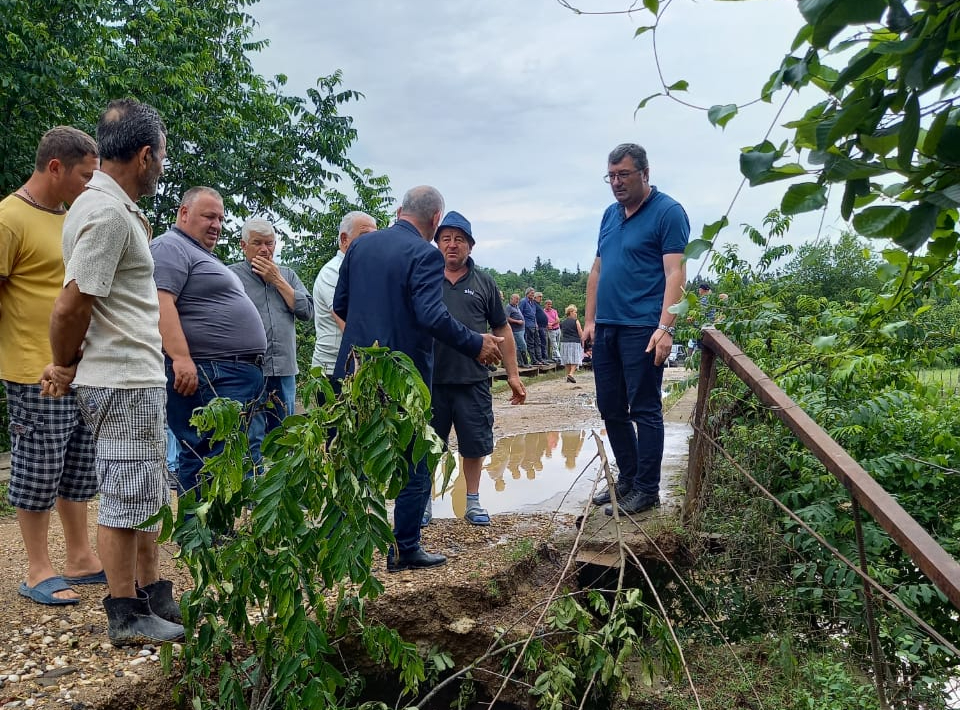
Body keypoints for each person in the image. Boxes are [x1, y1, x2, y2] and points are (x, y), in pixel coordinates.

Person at [45, 98, 184, 644]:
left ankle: (151, 594)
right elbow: (71, 305)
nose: (162, 167)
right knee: (126, 496)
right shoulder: (105, 213)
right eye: (163, 157)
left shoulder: (107, 206)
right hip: (121, 377)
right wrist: (61, 364)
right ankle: (125, 612)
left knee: (145, 489)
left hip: (132, 374)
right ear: (146, 155)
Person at [332, 186, 504, 572]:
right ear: (435, 220)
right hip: (400, 378)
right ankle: (405, 548)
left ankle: (349, 551)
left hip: (354, 371)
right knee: (414, 458)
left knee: (356, 457)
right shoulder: (425, 254)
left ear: (399, 210)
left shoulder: (360, 247)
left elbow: (340, 305)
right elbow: (430, 316)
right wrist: (475, 343)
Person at [0, 127, 103, 606]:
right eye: (84, 176)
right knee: (38, 468)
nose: (89, 185)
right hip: (32, 370)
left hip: (78, 367)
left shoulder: (69, 219)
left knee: (78, 467)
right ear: (55, 167)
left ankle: (80, 557)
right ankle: (37, 567)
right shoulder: (8, 217)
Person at [582, 143, 689, 516]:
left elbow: (675, 273)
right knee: (610, 406)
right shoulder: (610, 215)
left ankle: (647, 490)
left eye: (623, 174)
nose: (616, 183)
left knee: (644, 408)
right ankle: (627, 479)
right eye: (610, 176)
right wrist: (590, 319)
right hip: (607, 328)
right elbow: (597, 270)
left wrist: (665, 327)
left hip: (642, 327)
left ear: (645, 173)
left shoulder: (668, 212)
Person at [150, 187, 266, 497]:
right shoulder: (171, 246)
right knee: (206, 454)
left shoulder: (197, 252)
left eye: (220, 218)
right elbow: (161, 302)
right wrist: (180, 358)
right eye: (208, 216)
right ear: (184, 213)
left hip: (227, 373)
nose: (216, 224)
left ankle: (211, 534)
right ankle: (200, 538)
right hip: (208, 373)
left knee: (221, 456)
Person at [429, 211, 525, 527]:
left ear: (470, 245)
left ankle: (472, 501)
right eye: (446, 239)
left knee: (475, 443)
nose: (452, 245)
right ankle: (423, 504)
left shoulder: (484, 282)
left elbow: (503, 329)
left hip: (473, 379)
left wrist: (512, 374)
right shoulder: (425, 278)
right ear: (437, 243)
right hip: (430, 381)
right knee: (427, 446)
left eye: (459, 239)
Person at [229, 218, 313, 457]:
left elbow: (307, 311)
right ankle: (252, 486)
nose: (265, 249)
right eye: (258, 243)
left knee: (284, 436)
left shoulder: (287, 275)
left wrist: (277, 280)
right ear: (243, 245)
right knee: (250, 436)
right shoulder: (231, 276)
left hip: (285, 368)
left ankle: (280, 488)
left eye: (270, 243)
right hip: (250, 370)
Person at [311, 211, 378, 378]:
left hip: (356, 367)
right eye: (364, 236)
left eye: (374, 237)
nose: (372, 243)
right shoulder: (333, 272)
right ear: (344, 239)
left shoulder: (363, 271)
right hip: (333, 369)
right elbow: (349, 326)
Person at [520, 287, 544, 364]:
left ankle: (539, 358)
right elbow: (520, 313)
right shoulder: (523, 301)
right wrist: (523, 323)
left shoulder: (533, 303)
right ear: (527, 293)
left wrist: (536, 323)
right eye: (531, 293)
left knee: (538, 342)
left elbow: (534, 314)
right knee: (530, 343)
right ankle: (533, 360)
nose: (533, 295)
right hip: (527, 325)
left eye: (533, 293)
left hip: (534, 325)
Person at [560, 305, 584, 383]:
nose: (576, 314)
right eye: (575, 312)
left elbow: (562, 332)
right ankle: (571, 374)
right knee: (575, 359)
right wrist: (583, 340)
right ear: (570, 312)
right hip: (574, 342)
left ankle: (568, 376)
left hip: (564, 342)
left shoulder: (563, 322)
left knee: (567, 360)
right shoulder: (576, 321)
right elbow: (580, 333)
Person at [506, 293, 529, 367]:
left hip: (521, 329)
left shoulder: (517, 307)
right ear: (511, 299)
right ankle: (523, 362)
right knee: (522, 345)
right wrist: (517, 321)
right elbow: (507, 318)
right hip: (516, 330)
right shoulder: (509, 307)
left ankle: (523, 363)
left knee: (520, 346)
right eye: (516, 299)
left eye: (518, 299)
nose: (517, 300)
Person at [533, 291, 549, 365]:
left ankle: (545, 357)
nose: (541, 298)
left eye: (541, 296)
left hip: (543, 326)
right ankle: (542, 358)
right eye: (539, 296)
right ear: (535, 297)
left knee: (544, 342)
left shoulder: (538, 305)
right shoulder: (534, 304)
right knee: (541, 342)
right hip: (539, 326)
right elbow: (534, 315)